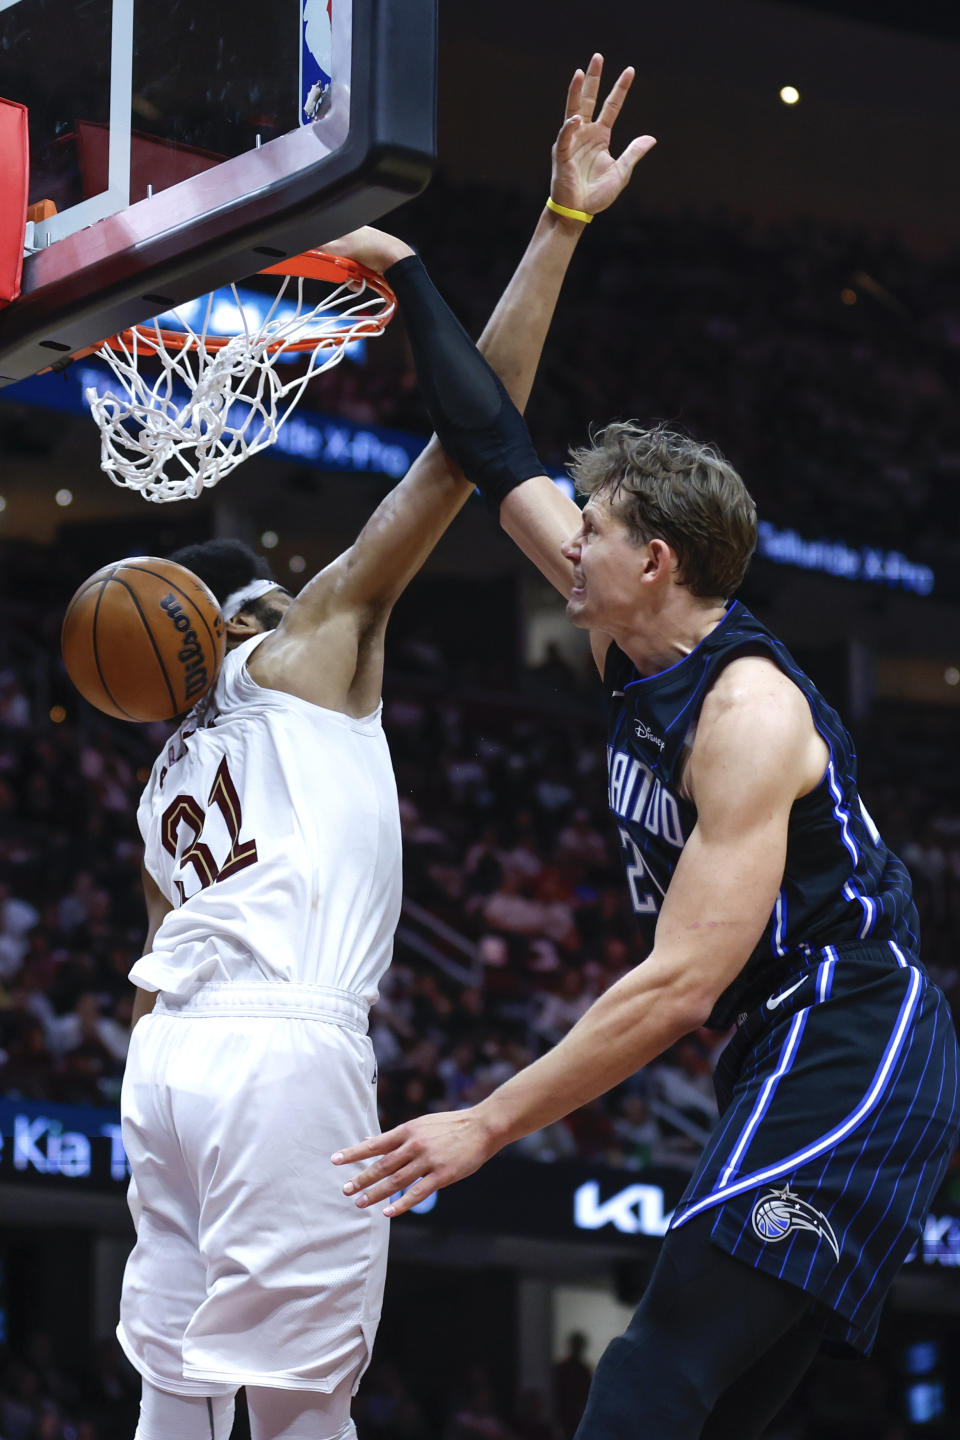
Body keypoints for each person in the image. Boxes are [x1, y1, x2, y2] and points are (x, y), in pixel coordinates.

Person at [331, 93, 960, 1440]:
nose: (568, 543)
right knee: (711, 1409)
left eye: (594, 530)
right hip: (788, 1052)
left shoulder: (745, 714)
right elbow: (489, 440)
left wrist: (483, 1125)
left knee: (648, 1374)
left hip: (851, 1043)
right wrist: (455, 256)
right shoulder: (634, 629)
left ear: (655, 561)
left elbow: (679, 988)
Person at [116, 58, 654, 1440]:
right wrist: (558, 229)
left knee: (174, 1397)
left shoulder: (166, 770)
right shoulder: (308, 643)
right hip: (281, 1060)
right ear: (246, 610)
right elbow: (469, 444)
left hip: (162, 1067)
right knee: (301, 1408)